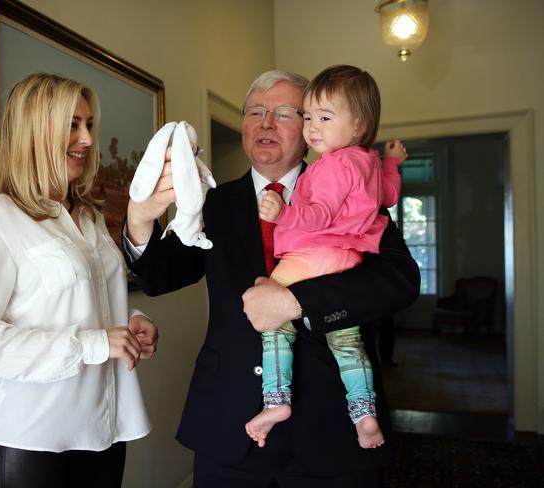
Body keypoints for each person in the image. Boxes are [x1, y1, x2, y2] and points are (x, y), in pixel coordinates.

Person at [124, 70, 419, 487]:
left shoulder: (353, 190)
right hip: (230, 427)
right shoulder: (214, 205)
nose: (266, 122)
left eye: (284, 112)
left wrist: (298, 303)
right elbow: (158, 276)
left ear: (313, 126)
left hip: (332, 429)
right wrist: (139, 219)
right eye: (256, 111)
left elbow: (400, 280)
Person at [0, 73, 157, 488]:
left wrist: (129, 320)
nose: (86, 139)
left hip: (103, 430)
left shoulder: (92, 218)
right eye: (72, 125)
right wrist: (93, 343)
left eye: (89, 125)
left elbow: (75, 298)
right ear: (32, 131)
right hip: (29, 438)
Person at [245, 65, 407, 450]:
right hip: (347, 257)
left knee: (274, 321)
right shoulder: (367, 162)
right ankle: (364, 414)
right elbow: (389, 196)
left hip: (311, 255)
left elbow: (320, 215)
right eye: (308, 117)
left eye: (291, 114)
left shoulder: (331, 166)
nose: (312, 127)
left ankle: (275, 400)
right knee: (348, 345)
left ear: (357, 125)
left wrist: (284, 213)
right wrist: (393, 164)